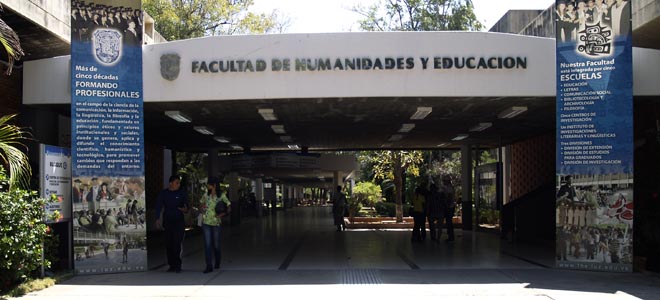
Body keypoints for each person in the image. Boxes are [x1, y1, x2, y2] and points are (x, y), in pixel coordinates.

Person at [155, 175, 188, 273]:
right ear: (171, 183)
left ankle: (178, 264)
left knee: (177, 243)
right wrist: (157, 219)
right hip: (168, 221)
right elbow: (158, 206)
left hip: (179, 221)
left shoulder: (181, 193)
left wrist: (184, 209)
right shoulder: (164, 193)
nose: (178, 184)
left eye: (179, 183)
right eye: (176, 182)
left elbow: (187, 207)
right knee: (169, 243)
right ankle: (171, 265)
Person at [199, 177, 230, 273]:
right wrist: (202, 207)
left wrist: (222, 214)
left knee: (216, 245)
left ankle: (217, 261)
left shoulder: (221, 196)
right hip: (206, 222)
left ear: (214, 185)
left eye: (209, 184)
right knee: (207, 244)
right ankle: (209, 265)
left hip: (216, 223)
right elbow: (200, 205)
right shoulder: (205, 195)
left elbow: (229, 206)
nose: (207, 186)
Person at [439, 176, 456, 242]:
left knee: (449, 222)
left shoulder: (449, 188)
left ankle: (451, 236)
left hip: (449, 207)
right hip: (449, 207)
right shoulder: (449, 188)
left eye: (444, 181)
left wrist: (446, 205)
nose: (443, 182)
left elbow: (449, 198)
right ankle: (450, 236)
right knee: (449, 222)